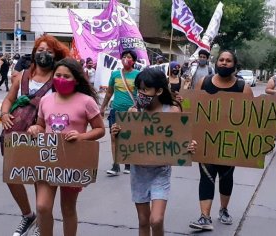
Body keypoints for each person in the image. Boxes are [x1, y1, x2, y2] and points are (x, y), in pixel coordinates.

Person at [111, 68, 197, 236]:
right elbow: (122, 149)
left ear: (158, 90)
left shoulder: (172, 111)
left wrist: (189, 146)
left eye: (145, 89)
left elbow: (180, 141)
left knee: (156, 220)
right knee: (143, 221)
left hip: (161, 173)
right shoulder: (133, 113)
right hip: (138, 174)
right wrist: (115, 136)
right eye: (139, 89)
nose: (140, 93)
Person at [0, 35, 69, 236]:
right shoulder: (22, 76)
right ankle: (27, 215)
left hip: (43, 138)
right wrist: (4, 114)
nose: (43, 54)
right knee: (12, 175)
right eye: (40, 50)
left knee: (40, 178)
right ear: (33, 52)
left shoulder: (58, 79)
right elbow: (9, 99)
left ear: (55, 55)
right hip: (15, 136)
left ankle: (41, 223)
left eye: (48, 51)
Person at [27, 58, 105, 236]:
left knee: (68, 208)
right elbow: (40, 125)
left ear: (77, 79)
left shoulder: (86, 102)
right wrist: (35, 129)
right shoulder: (45, 100)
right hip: (47, 160)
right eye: (58, 75)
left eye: (66, 76)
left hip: (72, 162)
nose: (61, 79)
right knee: (42, 207)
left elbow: (100, 130)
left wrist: (81, 136)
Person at [189, 50, 253, 231]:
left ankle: (224, 209)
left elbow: (252, 118)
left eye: (228, 60)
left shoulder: (243, 88)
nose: (224, 63)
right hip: (206, 141)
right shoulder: (204, 82)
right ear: (216, 63)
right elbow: (193, 109)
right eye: (221, 60)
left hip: (230, 142)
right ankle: (204, 216)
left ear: (234, 64)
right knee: (206, 176)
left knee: (226, 177)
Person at [100, 50, 140, 176]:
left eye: (128, 57)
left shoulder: (138, 75)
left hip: (130, 113)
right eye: (123, 56)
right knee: (114, 137)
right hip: (115, 111)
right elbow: (109, 92)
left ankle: (127, 163)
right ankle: (116, 165)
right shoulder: (115, 74)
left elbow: (142, 94)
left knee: (128, 138)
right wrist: (102, 107)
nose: (125, 59)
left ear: (133, 61)